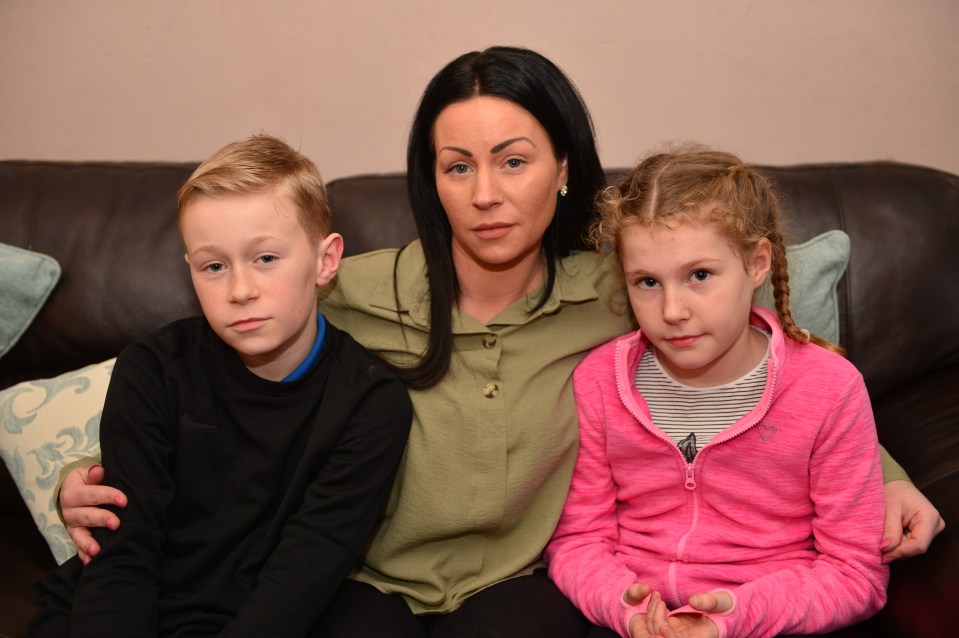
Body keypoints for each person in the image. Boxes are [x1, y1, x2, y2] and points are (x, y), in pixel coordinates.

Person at [55, 47, 942, 637]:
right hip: (359, 581)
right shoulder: (348, 286)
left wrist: (890, 476)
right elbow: (207, 359)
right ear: (429, 182)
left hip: (517, 584)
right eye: (456, 167)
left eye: (513, 161)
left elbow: (774, 351)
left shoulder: (624, 292)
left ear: (565, 171)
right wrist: (76, 471)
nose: (485, 194)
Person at [30, 135, 412, 637]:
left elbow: (302, 576)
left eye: (266, 259)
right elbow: (124, 556)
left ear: (325, 261)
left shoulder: (370, 401)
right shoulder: (151, 370)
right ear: (190, 272)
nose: (240, 290)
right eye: (214, 266)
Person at [545, 146, 889, 638]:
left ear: (757, 264)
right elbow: (579, 539)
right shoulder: (600, 381)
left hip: (773, 616)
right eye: (647, 282)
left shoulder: (829, 389)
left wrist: (734, 618)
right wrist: (625, 607)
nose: (673, 310)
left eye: (699, 275)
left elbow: (857, 575)